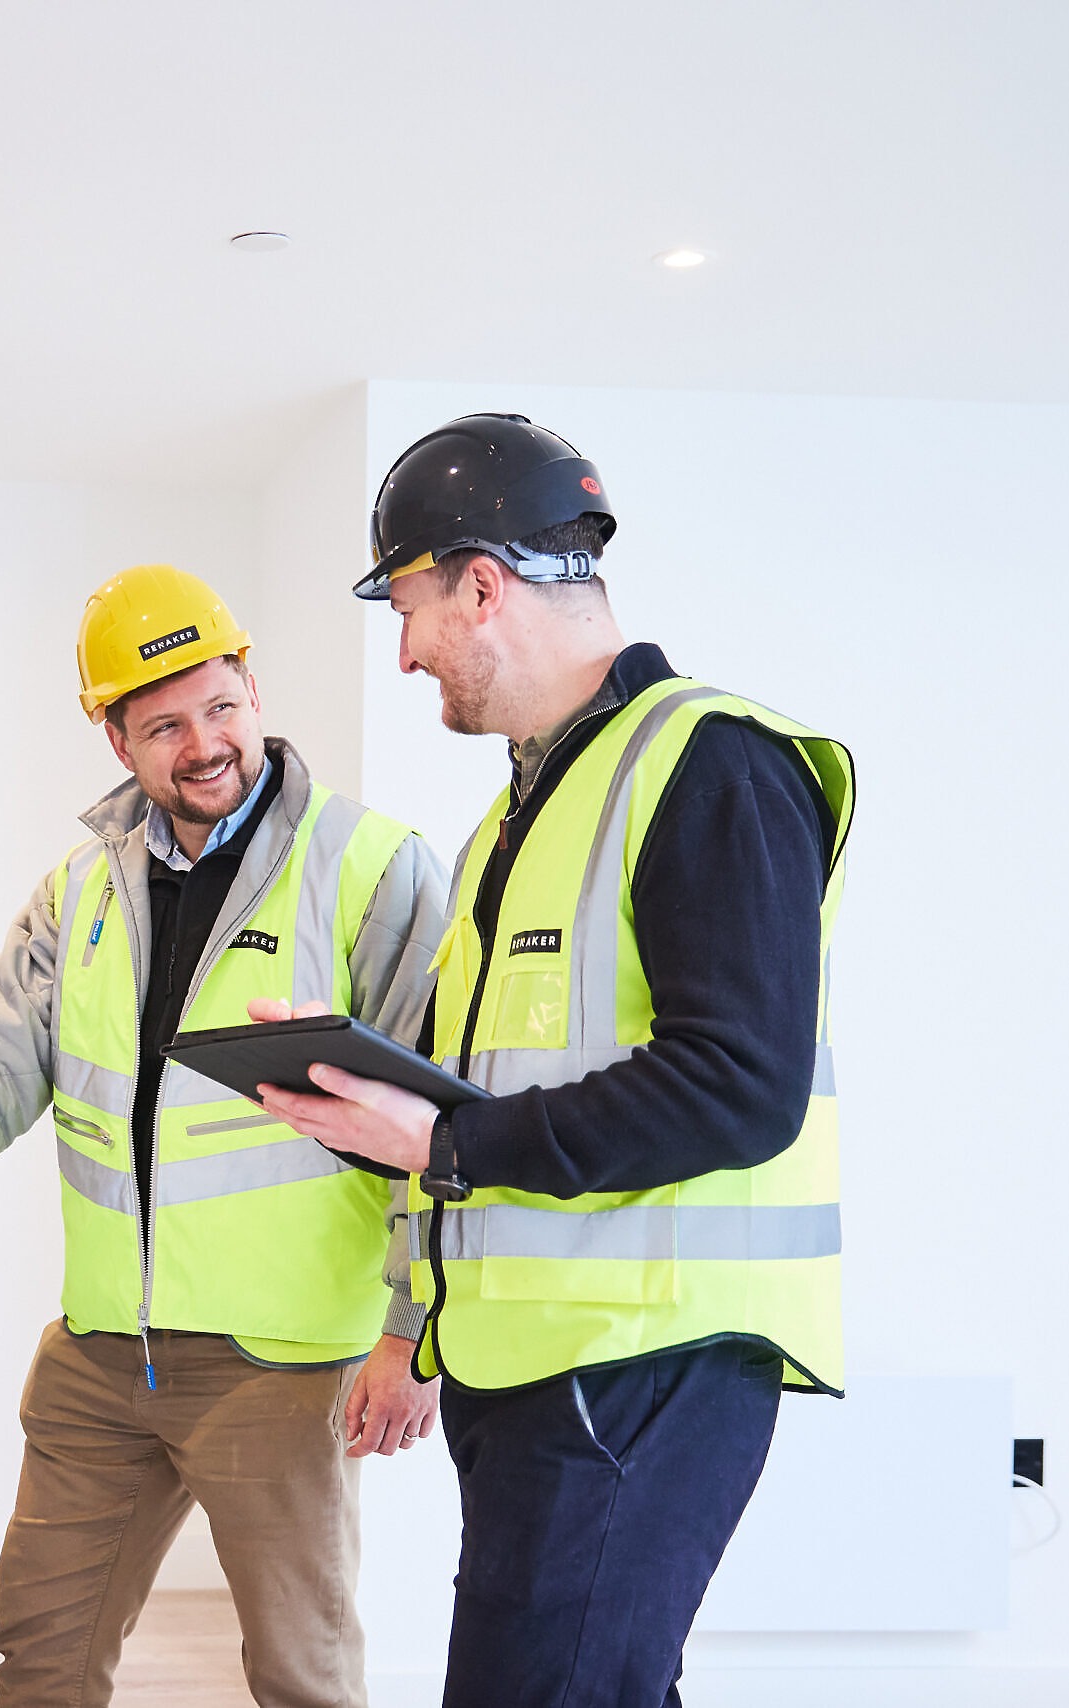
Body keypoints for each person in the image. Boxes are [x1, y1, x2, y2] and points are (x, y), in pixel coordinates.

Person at [253, 413, 854, 1708]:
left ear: (482, 585)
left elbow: (738, 1084)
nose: (405, 654)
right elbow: (500, 1086)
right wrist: (364, 1094)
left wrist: (444, 1140)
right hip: (534, 1365)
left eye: (408, 611)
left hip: (643, 1358)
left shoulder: (711, 763)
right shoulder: (516, 820)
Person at [0, 562, 453, 1708]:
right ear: (115, 739)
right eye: (163, 726)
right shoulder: (82, 888)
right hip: (103, 1351)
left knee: (301, 1676)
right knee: (39, 1656)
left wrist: (412, 1327)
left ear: (252, 687)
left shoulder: (371, 869)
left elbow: (436, 1123)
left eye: (220, 707)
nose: (204, 745)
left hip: (280, 1364)